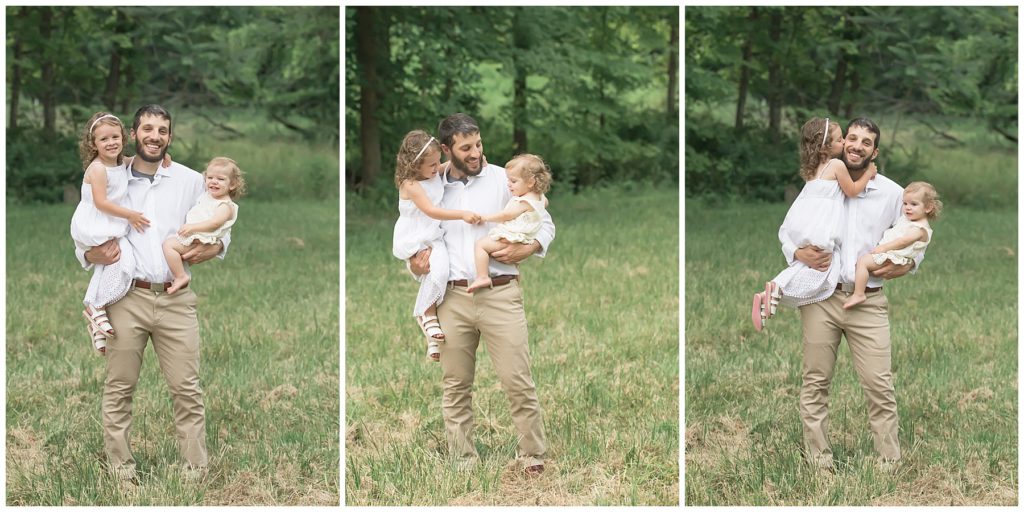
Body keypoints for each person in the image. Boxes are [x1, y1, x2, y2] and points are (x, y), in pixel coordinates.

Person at [75, 104, 226, 485]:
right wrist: (89, 253)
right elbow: (85, 225)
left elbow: (220, 224)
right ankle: (121, 469)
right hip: (127, 297)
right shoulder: (112, 176)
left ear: (169, 137)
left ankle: (195, 469)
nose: (154, 136)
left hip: (175, 297)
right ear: (133, 133)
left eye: (162, 130)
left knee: (186, 388)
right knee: (120, 386)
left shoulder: (190, 180)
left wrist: (214, 247)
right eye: (147, 128)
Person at [408, 113, 554, 475]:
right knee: (455, 383)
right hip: (452, 298)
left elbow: (544, 221)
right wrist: (415, 265)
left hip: (501, 294)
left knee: (517, 378)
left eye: (478, 144)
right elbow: (415, 238)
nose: (476, 153)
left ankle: (532, 455)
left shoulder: (505, 178)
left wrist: (531, 246)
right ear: (446, 149)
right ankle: (462, 459)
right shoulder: (431, 187)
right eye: (466, 148)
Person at [789, 117, 923, 473]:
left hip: (869, 301)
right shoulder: (820, 181)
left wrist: (908, 265)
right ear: (841, 142)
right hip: (821, 297)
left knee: (879, 383)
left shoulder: (893, 194)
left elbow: (916, 232)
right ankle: (819, 461)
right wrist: (795, 252)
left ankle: (889, 461)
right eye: (852, 138)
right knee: (815, 380)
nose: (857, 145)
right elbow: (791, 227)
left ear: (875, 151)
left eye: (866, 142)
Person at [750, 117, 876, 331]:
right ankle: (777, 292)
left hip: (805, 226)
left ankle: (772, 292)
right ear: (826, 147)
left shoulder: (814, 170)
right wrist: (869, 173)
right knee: (822, 270)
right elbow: (853, 190)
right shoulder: (836, 165)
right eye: (840, 140)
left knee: (804, 268)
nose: (845, 143)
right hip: (822, 230)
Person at [392, 130, 482, 362]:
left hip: (433, 234)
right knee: (435, 271)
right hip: (417, 235)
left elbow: (452, 164)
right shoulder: (410, 184)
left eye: (437, 162)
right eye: (431, 165)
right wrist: (462, 214)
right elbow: (431, 210)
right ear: (414, 165)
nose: (437, 167)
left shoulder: (433, 172)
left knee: (440, 272)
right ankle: (426, 314)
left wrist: (476, 155)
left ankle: (431, 334)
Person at [70, 112, 150, 353]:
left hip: (110, 222)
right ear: (93, 144)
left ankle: (95, 316)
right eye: (104, 139)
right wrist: (130, 215)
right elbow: (101, 202)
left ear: (123, 138)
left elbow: (135, 161)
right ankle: (96, 306)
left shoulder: (119, 162)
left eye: (115, 137)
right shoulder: (97, 169)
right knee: (118, 261)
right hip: (96, 220)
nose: (111, 142)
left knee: (112, 264)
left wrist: (164, 157)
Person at [844, 181, 940, 309]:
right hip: (890, 253)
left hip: (893, 256)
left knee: (863, 262)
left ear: (928, 208)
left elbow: (903, 242)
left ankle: (859, 293)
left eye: (914, 204)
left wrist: (883, 248)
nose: (907, 207)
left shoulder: (919, 229)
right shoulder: (909, 220)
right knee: (864, 264)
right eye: (905, 203)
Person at [467, 153, 552, 293]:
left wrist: (485, 218)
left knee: (480, 245)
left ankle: (482, 276)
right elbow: (544, 206)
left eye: (513, 181)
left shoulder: (522, 202)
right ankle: (514, 280)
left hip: (510, 236)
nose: (508, 184)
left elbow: (506, 215)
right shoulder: (539, 198)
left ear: (530, 182)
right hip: (524, 237)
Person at [163, 157, 245, 294]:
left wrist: (192, 227)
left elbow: (215, 223)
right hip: (196, 235)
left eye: (220, 179)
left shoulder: (224, 205)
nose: (213, 181)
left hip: (200, 238)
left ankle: (180, 276)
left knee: (169, 245)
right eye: (210, 177)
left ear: (232, 184)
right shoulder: (209, 196)